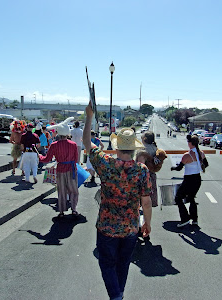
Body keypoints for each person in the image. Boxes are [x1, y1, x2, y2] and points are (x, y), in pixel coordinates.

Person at [83, 102, 152, 300]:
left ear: (117, 146)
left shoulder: (105, 163)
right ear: (133, 149)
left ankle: (116, 296)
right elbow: (146, 202)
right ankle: (118, 295)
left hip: (107, 226)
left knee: (107, 263)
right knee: (123, 264)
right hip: (130, 228)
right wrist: (147, 223)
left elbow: (87, 143)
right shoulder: (142, 170)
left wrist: (89, 117)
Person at [39, 117, 79, 217]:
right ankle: (73, 209)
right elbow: (76, 159)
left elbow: (46, 159)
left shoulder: (54, 145)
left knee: (61, 191)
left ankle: (61, 211)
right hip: (71, 169)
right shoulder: (73, 144)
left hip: (60, 170)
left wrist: (39, 156)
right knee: (74, 191)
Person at [171, 134, 208, 227]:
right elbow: (206, 164)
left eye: (188, 142)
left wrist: (173, 168)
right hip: (197, 179)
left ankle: (185, 218)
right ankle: (194, 220)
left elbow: (179, 168)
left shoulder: (187, 155)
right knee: (191, 198)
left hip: (188, 179)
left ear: (190, 143)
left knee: (178, 197)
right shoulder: (201, 153)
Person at [136, 131, 167, 207]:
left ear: (145, 138)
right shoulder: (155, 148)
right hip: (152, 175)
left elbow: (141, 165)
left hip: (144, 177)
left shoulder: (143, 150)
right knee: (149, 198)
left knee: (142, 198)